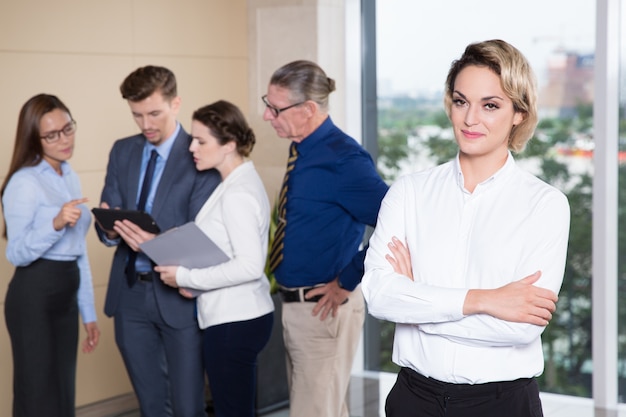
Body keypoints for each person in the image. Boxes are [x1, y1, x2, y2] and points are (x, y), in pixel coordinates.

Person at [361, 39, 571, 417]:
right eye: (461, 101)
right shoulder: (409, 192)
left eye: (490, 105)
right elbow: (378, 295)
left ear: (519, 113)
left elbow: (520, 329)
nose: (470, 118)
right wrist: (483, 300)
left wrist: (416, 308)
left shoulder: (545, 205)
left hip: (502, 405)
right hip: (413, 399)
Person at [261, 60, 389, 417]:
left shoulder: (343, 160)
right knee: (324, 409)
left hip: (324, 309)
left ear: (308, 110)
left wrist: (348, 280)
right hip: (297, 307)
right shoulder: (300, 148)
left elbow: (399, 224)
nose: (267, 115)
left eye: (275, 107)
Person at [95, 65, 220, 417]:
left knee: (187, 405)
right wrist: (107, 228)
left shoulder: (199, 154)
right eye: (137, 115)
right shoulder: (123, 151)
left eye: (154, 113)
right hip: (130, 295)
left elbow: (202, 236)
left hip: (178, 295)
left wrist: (153, 242)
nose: (146, 124)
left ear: (175, 103)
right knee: (151, 405)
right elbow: (110, 212)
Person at [157, 100, 275, 417]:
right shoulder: (236, 183)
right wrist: (196, 285)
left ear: (229, 145)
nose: (191, 147)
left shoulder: (237, 193)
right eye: (192, 139)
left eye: (201, 141)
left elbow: (249, 265)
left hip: (234, 321)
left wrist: (186, 278)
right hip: (238, 315)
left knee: (232, 411)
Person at [1, 93, 100, 417]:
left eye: (68, 128)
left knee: (62, 394)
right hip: (34, 298)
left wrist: (88, 312)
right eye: (52, 135)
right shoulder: (24, 181)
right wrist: (55, 224)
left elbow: (79, 250)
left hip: (66, 296)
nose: (64, 139)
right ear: (34, 137)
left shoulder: (68, 174)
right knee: (38, 397)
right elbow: (15, 253)